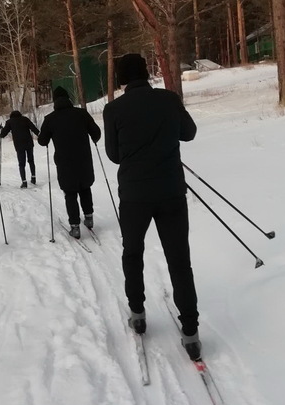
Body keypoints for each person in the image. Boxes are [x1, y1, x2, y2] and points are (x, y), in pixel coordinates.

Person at [103, 53, 201, 360]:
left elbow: (114, 154)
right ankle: (190, 331)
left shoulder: (113, 109)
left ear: (121, 79)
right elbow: (189, 133)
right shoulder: (169, 99)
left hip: (134, 195)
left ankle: (138, 313)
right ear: (146, 74)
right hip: (171, 190)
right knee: (179, 260)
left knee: (133, 252)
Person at [38, 86, 101, 239]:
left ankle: (75, 226)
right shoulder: (82, 114)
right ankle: (89, 218)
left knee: (70, 192)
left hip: (64, 162)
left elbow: (42, 141)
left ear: (54, 101)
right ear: (68, 99)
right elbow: (97, 133)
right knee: (85, 188)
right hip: (84, 159)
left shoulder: (50, 119)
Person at [0, 111, 40, 188]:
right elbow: (33, 128)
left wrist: (2, 131)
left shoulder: (10, 122)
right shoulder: (25, 119)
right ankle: (33, 178)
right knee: (31, 160)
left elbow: (3, 134)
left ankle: (24, 182)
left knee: (21, 164)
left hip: (19, 145)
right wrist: (40, 135)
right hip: (29, 143)